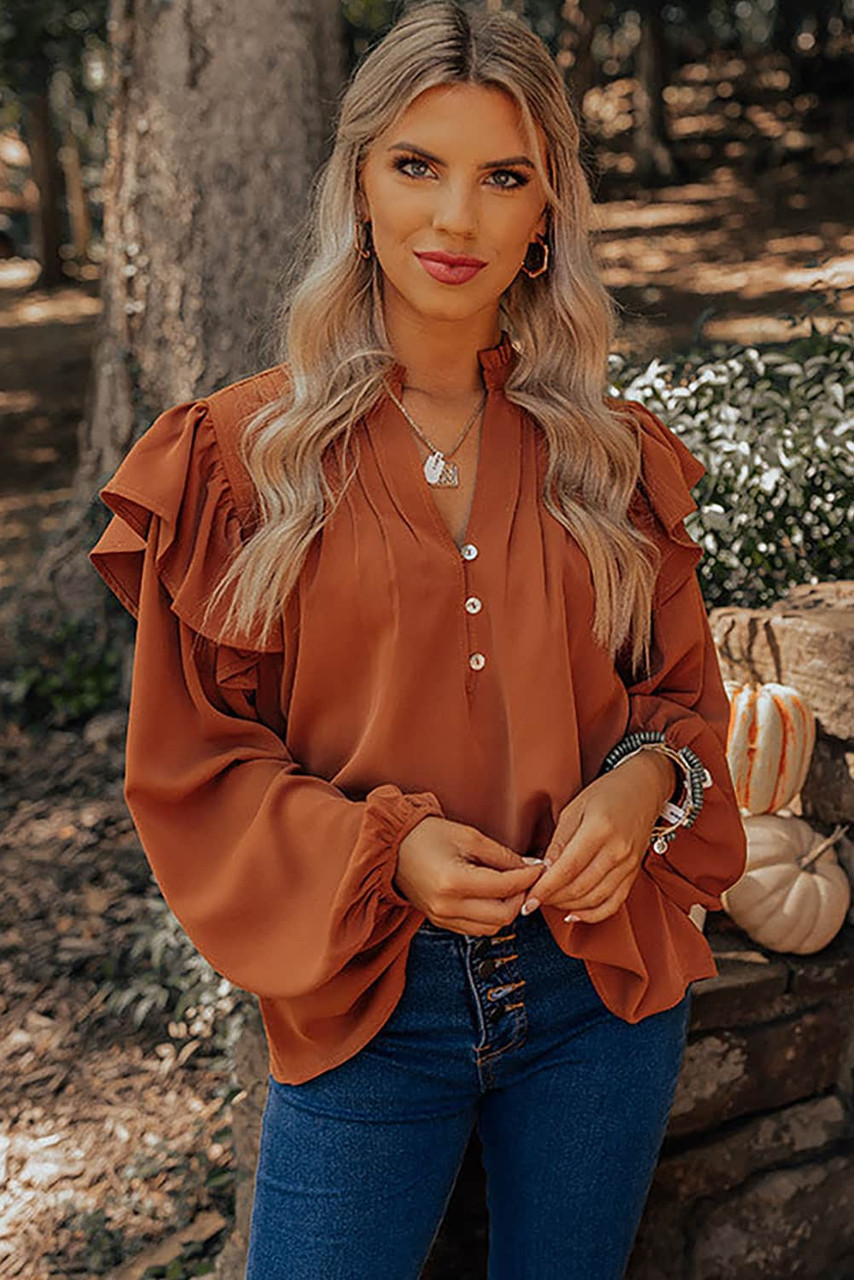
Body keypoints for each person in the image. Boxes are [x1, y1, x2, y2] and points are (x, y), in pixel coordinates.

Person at [88, 2, 747, 1277]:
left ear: (547, 210)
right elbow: (193, 766)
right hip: (364, 999)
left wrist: (639, 784)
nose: (455, 220)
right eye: (416, 166)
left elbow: (680, 704)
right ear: (358, 183)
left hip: (594, 991)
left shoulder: (609, 461)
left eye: (502, 177)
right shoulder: (238, 464)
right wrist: (385, 852)